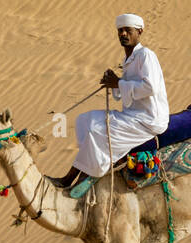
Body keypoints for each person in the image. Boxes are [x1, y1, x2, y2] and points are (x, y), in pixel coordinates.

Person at [50, 13, 169, 189]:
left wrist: (119, 83)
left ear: (140, 31)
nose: (123, 34)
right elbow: (122, 94)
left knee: (97, 132)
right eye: (120, 31)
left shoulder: (146, 55)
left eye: (128, 30)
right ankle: (91, 167)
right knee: (85, 121)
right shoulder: (128, 59)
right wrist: (114, 82)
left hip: (148, 119)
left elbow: (150, 87)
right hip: (132, 115)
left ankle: (72, 178)